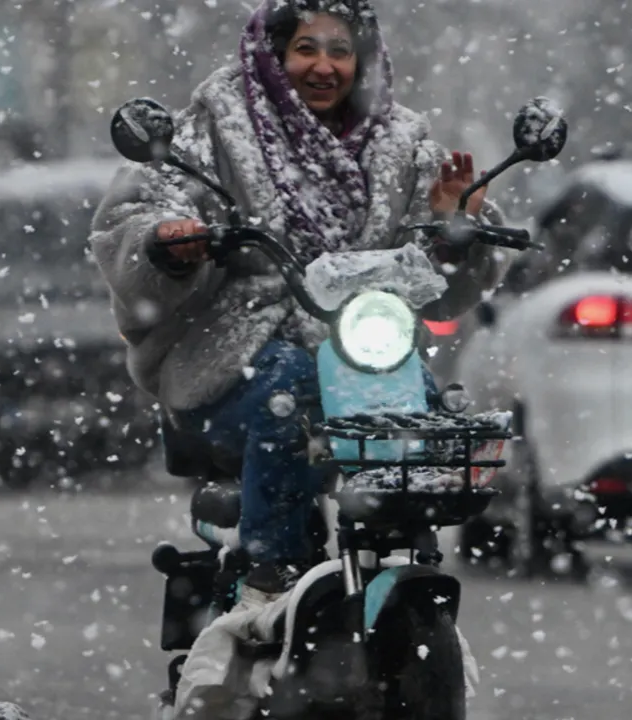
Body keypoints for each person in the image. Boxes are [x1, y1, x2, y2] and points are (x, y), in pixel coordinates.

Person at [90, 0, 506, 596]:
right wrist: (166, 241)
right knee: (289, 404)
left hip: (365, 345)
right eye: (306, 49)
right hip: (235, 348)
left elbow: (447, 251)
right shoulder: (210, 129)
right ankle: (270, 578)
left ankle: (406, 569)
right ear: (273, 55)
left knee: (426, 427)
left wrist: (455, 229)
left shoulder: (403, 139)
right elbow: (139, 212)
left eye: (340, 51)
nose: (324, 66)